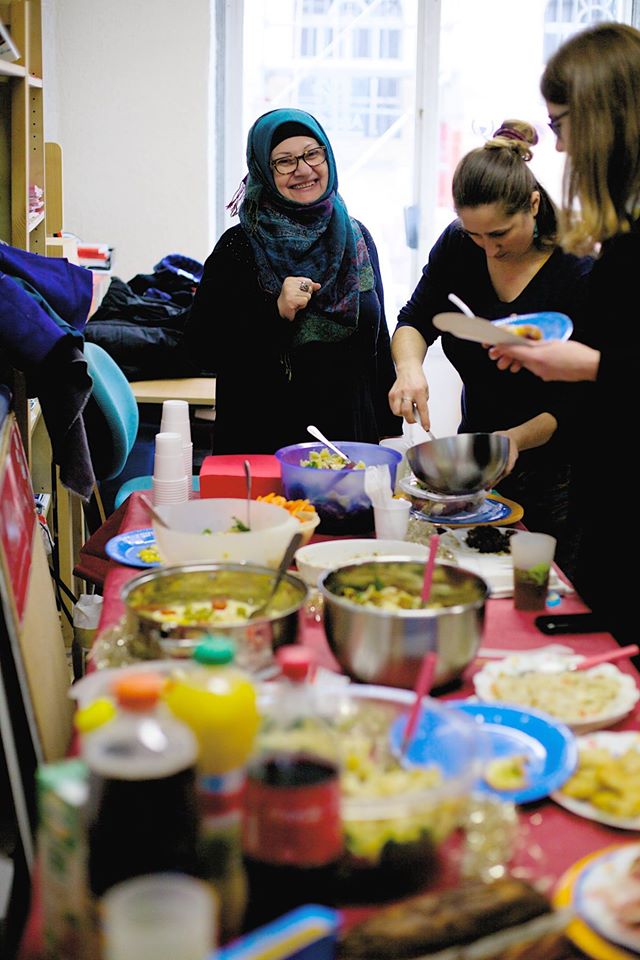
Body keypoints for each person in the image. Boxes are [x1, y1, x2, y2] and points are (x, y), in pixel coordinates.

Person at [488, 23, 640, 649]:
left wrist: (587, 366)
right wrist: (555, 357)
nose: (557, 145)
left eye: (560, 124)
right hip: (606, 495)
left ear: (604, 115)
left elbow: (608, 362)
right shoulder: (621, 228)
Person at [388, 119, 592, 577]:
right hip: (478, 466)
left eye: (499, 234)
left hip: (558, 475)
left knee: (540, 588)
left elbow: (578, 399)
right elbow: (414, 319)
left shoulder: (576, 269)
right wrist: (409, 369)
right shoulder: (459, 246)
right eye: (475, 234)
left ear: (533, 205)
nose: (488, 249)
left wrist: (513, 440)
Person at [182, 108, 401, 454]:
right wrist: (275, 312)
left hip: (348, 443)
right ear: (263, 171)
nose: (303, 169)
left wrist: (388, 427)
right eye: (285, 161)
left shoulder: (357, 238)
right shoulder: (238, 247)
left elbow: (378, 339)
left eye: (313, 153)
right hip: (264, 443)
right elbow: (201, 348)